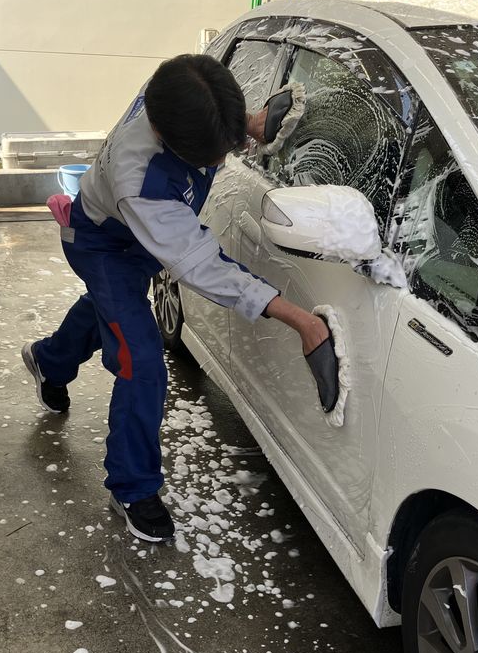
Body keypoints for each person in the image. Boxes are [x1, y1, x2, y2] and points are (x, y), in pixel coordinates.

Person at [21, 54, 329, 543]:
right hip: (104, 247)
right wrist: (299, 319)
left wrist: (246, 125)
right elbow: (203, 266)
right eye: (212, 154)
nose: (222, 162)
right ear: (166, 136)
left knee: (112, 312)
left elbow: (207, 110)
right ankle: (133, 487)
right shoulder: (140, 182)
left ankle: (48, 360)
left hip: (138, 238)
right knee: (140, 360)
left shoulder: (177, 86)